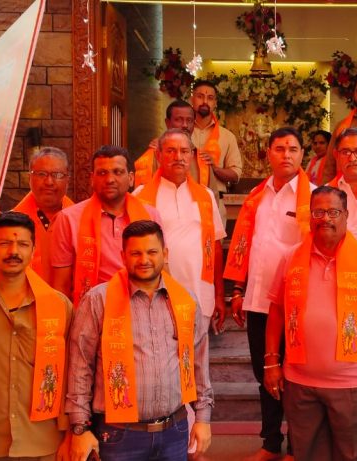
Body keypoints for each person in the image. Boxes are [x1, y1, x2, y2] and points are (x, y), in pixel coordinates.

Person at [263, 186, 357, 461]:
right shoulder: (291, 258)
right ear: (310, 217)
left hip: (352, 384)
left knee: (353, 455)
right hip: (299, 382)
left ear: (347, 216)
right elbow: (276, 311)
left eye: (333, 212)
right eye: (319, 212)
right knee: (306, 454)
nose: (326, 218)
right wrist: (271, 362)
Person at [66, 220, 214, 461]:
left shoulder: (185, 301)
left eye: (152, 252)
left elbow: (198, 362)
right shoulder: (98, 300)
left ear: (165, 254)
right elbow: (80, 366)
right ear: (123, 255)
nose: (144, 259)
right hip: (119, 435)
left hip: (174, 431)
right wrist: (80, 428)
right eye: (136, 253)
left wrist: (203, 418)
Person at [225, 127, 316, 461]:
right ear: (268, 153)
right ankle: (270, 443)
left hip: (297, 303)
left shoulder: (314, 196)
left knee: (294, 375)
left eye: (293, 148)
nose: (287, 154)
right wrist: (237, 289)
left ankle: (297, 444)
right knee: (264, 374)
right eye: (280, 148)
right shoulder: (257, 197)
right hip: (259, 300)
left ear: (303, 154)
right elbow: (249, 246)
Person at [0, 212, 73, 461]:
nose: (14, 251)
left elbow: (73, 374)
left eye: (22, 244)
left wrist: (71, 435)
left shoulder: (58, 306)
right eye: (5, 243)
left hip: (44, 442)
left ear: (33, 250)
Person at [134, 129, 227, 332]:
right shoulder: (141, 196)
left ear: (192, 156)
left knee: (197, 361)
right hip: (155, 296)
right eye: (171, 151)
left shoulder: (205, 196)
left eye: (185, 151)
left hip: (199, 294)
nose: (179, 157)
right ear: (158, 155)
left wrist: (219, 295)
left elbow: (216, 247)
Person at [49, 145, 163, 303]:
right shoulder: (68, 219)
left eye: (117, 172)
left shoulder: (151, 215)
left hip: (143, 308)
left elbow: (163, 271)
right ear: (92, 179)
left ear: (131, 178)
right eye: (102, 173)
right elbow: (61, 286)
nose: (110, 180)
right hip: (93, 311)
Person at [12, 146, 75, 281]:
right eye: (41, 174)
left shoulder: (81, 220)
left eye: (57, 175)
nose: (49, 182)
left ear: (67, 180)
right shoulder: (9, 224)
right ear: (29, 178)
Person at [190, 80, 243, 219]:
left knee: (214, 242)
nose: (205, 101)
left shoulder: (227, 136)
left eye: (210, 98)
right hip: (185, 202)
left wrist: (215, 168)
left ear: (215, 103)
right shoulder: (180, 133)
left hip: (215, 204)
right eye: (200, 96)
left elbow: (236, 174)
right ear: (192, 99)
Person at [134, 100, 196, 188]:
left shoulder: (202, 159)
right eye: (179, 119)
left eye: (189, 120)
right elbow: (142, 197)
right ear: (168, 123)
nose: (185, 125)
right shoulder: (153, 155)